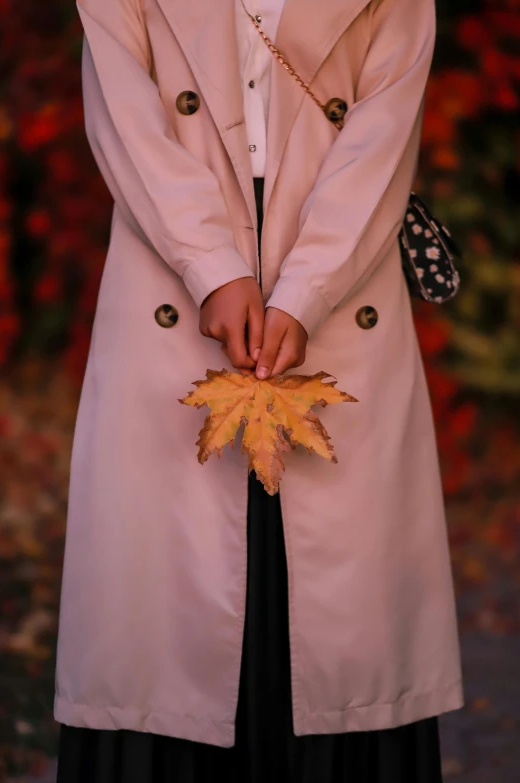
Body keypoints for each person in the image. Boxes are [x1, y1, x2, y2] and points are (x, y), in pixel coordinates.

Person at [54, 0, 465, 780]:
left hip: (341, 274)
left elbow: (384, 134)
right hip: (167, 268)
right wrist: (212, 267)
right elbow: (125, 117)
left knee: (340, 639)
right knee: (166, 634)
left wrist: (305, 290)